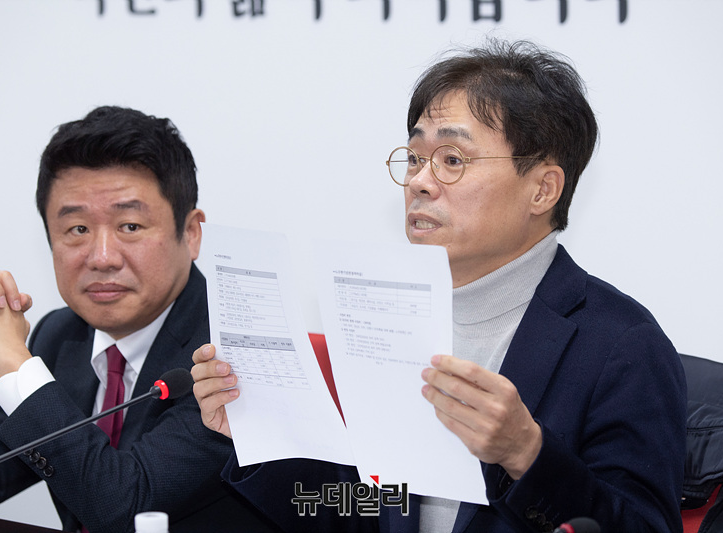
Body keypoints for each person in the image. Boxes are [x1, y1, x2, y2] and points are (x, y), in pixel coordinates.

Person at [190, 39, 688, 532]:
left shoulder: (622, 345)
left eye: (452, 160)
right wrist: (261, 440)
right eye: (414, 158)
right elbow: (357, 511)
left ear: (543, 189)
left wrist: (527, 454)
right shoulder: (387, 316)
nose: (418, 182)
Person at [0, 106, 279, 532]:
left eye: (130, 226)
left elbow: (128, 507)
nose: (102, 258)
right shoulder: (61, 336)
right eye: (78, 230)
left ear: (191, 233)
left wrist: (12, 361)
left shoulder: (233, 351)